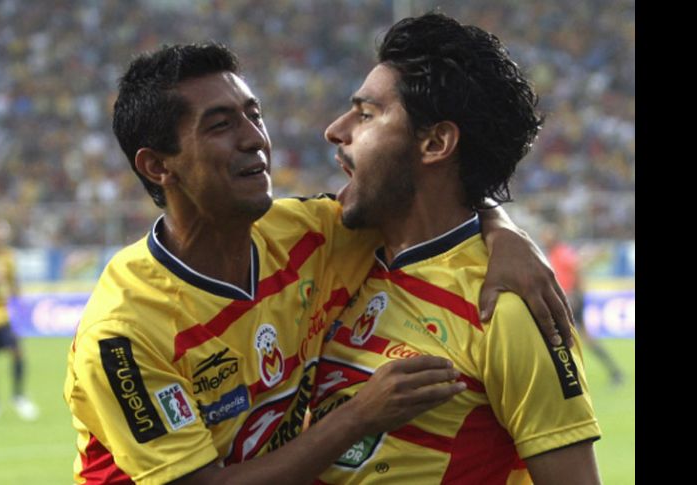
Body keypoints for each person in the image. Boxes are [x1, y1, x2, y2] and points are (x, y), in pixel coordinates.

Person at [64, 42, 575, 485]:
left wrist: (505, 231)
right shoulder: (125, 333)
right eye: (221, 125)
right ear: (158, 165)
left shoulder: (309, 235)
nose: (255, 139)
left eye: (254, 114)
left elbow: (427, 194)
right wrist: (359, 417)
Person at [310, 11, 601, 484]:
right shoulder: (327, 252)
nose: (336, 130)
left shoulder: (505, 307)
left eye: (366, 114)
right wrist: (499, 221)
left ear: (436, 143)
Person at [541, 223, 624, 386]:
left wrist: (577, 293)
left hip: (569, 300)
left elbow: (577, 267)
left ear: (553, 238)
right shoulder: (554, 253)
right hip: (568, 299)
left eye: (547, 235)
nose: (544, 238)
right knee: (585, 339)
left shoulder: (561, 253)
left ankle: (565, 379)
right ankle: (615, 372)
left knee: (557, 338)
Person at [0, 219, 39, 424]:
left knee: (18, 353)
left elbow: (14, 284)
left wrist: (18, 303)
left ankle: (19, 397)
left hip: (4, 316)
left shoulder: (8, 257)